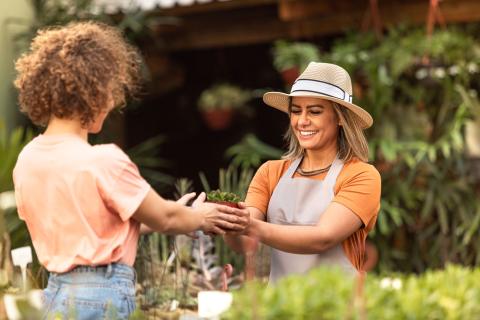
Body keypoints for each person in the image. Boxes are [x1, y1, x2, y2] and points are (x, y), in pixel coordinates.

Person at [12, 21, 249, 319]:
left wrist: (179, 213)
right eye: (110, 92)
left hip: (56, 293)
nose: (112, 102)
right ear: (93, 92)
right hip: (100, 295)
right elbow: (165, 219)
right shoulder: (102, 160)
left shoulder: (28, 160)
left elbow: (97, 227)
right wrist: (200, 217)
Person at [225, 62, 381, 283]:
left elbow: (323, 238)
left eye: (315, 111)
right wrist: (230, 225)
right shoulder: (270, 172)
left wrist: (248, 225)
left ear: (339, 118)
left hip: (339, 308)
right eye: (296, 111)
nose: (302, 121)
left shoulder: (361, 175)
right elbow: (244, 244)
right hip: (281, 307)